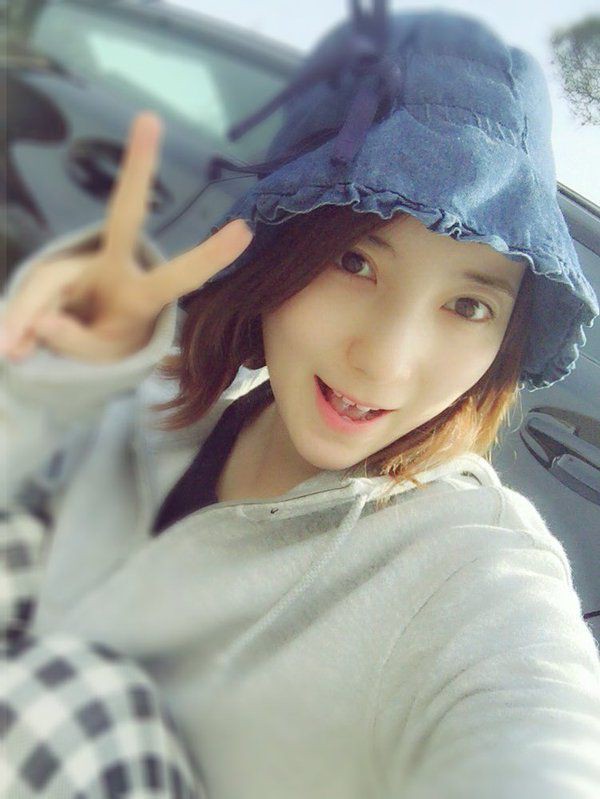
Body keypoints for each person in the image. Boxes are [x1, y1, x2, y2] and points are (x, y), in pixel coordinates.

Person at [2, 6, 600, 798]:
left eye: (469, 305)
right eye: (355, 261)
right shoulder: (174, 403)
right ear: (283, 244)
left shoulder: (470, 571)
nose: (385, 360)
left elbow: (536, 727)